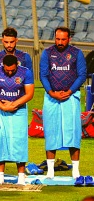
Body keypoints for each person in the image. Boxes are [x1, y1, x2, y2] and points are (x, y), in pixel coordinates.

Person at [39, 26, 87, 180]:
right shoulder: (47, 53)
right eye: (57, 39)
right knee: (51, 132)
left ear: (69, 39)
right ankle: (51, 171)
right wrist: (51, 92)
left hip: (70, 97)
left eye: (63, 39)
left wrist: (70, 91)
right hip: (51, 98)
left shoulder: (76, 53)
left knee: (72, 133)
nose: (59, 42)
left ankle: (76, 171)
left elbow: (82, 75)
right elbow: (43, 75)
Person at [0, 55, 34, 185]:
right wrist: (3, 106)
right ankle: (0, 177)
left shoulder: (25, 72)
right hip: (0, 109)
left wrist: (14, 105)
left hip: (19, 110)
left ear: (16, 65)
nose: (9, 72)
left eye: (12, 70)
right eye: (7, 70)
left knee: (19, 140)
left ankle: (21, 176)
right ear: (3, 65)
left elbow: (29, 93)